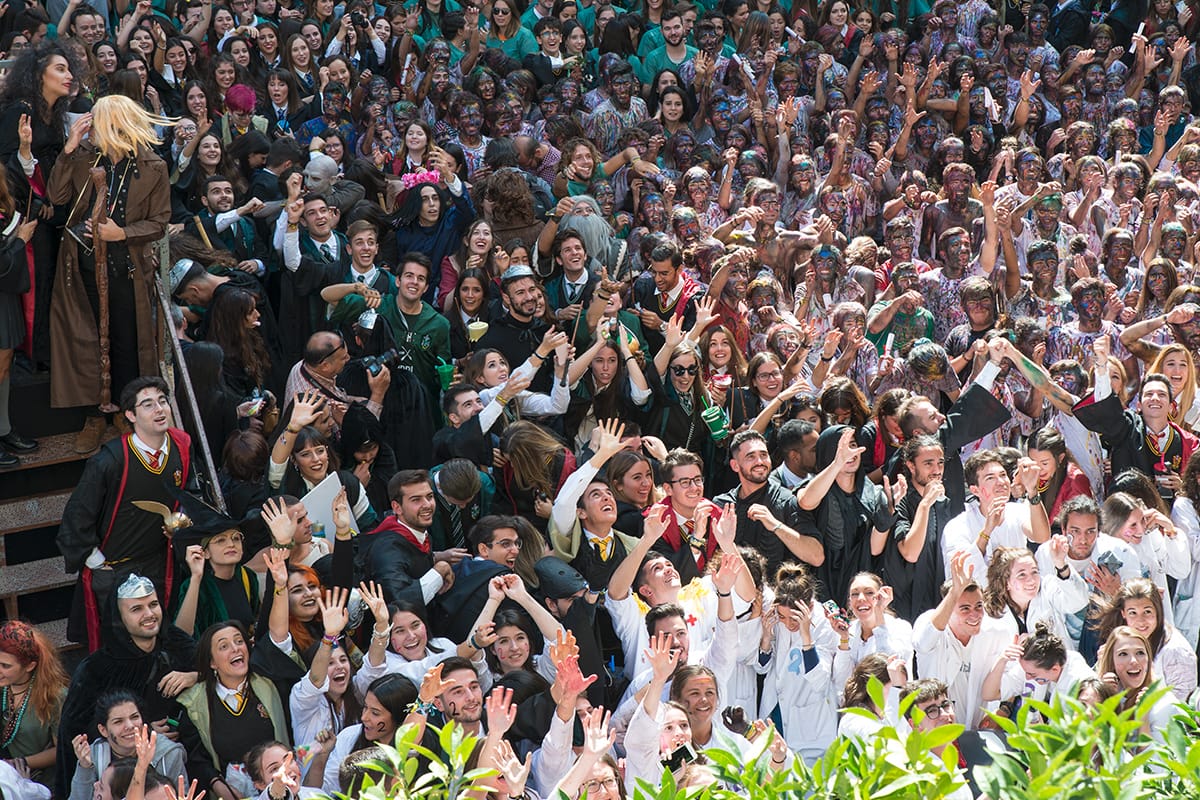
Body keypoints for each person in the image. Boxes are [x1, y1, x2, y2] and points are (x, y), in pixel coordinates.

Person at [48, 94, 173, 453]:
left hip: (126, 268)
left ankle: (123, 413)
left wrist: (122, 233)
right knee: (87, 341)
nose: (94, 129)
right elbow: (57, 197)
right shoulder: (86, 156)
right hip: (83, 264)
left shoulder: (153, 165)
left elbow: (160, 221)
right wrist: (69, 149)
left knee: (125, 341)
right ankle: (94, 416)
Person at [58, 378, 196, 651]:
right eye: (148, 405)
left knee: (159, 640)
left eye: (162, 401)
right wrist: (96, 562)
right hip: (115, 568)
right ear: (130, 415)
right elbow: (77, 515)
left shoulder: (180, 446)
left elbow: (189, 493)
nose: (159, 410)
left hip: (159, 561)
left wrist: (181, 522)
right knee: (119, 645)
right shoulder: (110, 461)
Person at [55, 574, 198, 799]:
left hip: (183, 760)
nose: (149, 614)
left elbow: (221, 674)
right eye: (136, 609)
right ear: (120, 617)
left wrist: (195, 676)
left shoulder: (176, 643)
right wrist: (141, 732)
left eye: (153, 604)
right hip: (117, 774)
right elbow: (75, 732)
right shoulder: (96, 669)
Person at [68, 692, 187, 800]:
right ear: (103, 730)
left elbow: (182, 796)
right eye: (118, 721)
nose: (130, 726)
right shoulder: (93, 754)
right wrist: (85, 767)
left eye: (134, 717)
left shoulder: (168, 754)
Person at [0, 621, 68, 789]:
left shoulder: (55, 696)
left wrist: (19, 763)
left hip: (36, 778)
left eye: (5, 666)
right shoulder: (4, 687)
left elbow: (62, 751)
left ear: (30, 666)